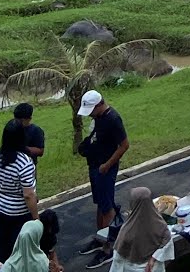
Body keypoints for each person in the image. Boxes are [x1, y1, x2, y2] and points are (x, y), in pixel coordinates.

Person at [76, 91, 129, 267]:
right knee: (100, 204)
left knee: (107, 208)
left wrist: (107, 165)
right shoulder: (98, 118)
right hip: (95, 166)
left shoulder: (113, 119)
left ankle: (109, 248)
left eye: (91, 109)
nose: (90, 113)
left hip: (105, 168)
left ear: (99, 105)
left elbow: (124, 145)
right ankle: (100, 238)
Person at [0, 121, 39, 262]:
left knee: (5, 246)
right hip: (20, 213)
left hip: (0, 207)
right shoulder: (24, 162)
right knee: (21, 250)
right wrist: (36, 218)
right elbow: (29, 195)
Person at [111, 187, 174, 272]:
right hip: (154, 267)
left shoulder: (128, 229)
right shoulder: (159, 223)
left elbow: (118, 256)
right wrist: (153, 259)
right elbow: (167, 241)